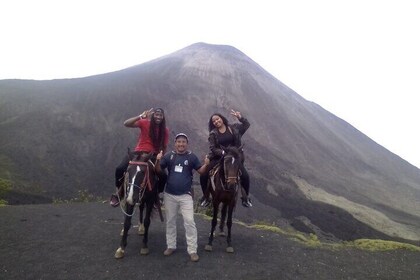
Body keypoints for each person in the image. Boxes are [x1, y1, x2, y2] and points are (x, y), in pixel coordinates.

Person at [155, 133, 209, 262]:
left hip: (186, 195)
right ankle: (171, 246)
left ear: (187, 143)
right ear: (175, 143)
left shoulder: (191, 157)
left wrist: (206, 164)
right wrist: (157, 160)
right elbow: (158, 170)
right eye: (179, 141)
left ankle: (192, 250)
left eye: (183, 142)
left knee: (189, 222)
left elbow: (201, 171)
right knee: (170, 221)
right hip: (170, 195)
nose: (181, 144)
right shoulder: (169, 156)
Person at [110, 108, 169, 207]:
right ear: (153, 115)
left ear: (163, 117)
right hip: (137, 153)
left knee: (163, 175)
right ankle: (119, 192)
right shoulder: (145, 123)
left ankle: (158, 194)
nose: (158, 117)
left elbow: (164, 146)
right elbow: (126, 123)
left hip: (152, 155)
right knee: (119, 169)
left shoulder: (165, 130)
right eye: (156, 114)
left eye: (160, 115)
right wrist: (140, 116)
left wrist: (160, 156)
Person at [199, 109, 252, 207]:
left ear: (222, 118)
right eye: (214, 121)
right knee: (204, 174)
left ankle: (246, 198)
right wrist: (222, 152)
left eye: (217, 119)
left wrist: (240, 118)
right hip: (219, 157)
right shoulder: (213, 133)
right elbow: (213, 148)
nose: (216, 122)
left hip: (233, 158)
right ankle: (206, 197)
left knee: (245, 176)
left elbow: (246, 125)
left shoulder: (233, 128)